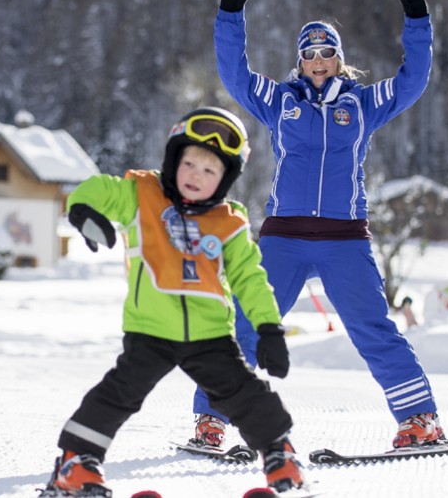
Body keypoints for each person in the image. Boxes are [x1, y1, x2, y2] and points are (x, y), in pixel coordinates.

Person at [205, 0, 448, 451]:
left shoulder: (362, 103)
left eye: (327, 53)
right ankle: (211, 421)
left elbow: (412, 81)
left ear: (340, 59)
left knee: (374, 329)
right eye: (310, 54)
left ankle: (420, 421)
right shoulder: (279, 101)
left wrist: (418, 25)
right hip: (283, 238)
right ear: (300, 61)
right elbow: (235, 75)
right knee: (247, 323)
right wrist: (229, 18)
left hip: (345, 239)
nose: (318, 62)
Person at [44, 107, 305, 497]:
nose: (197, 176)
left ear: (225, 179)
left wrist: (269, 327)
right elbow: (96, 188)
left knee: (243, 392)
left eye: (210, 170)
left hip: (211, 334)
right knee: (119, 394)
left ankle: (280, 457)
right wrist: (83, 210)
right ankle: (75, 462)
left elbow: (250, 279)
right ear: (173, 159)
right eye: (190, 164)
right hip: (150, 329)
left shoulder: (229, 222)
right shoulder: (140, 194)